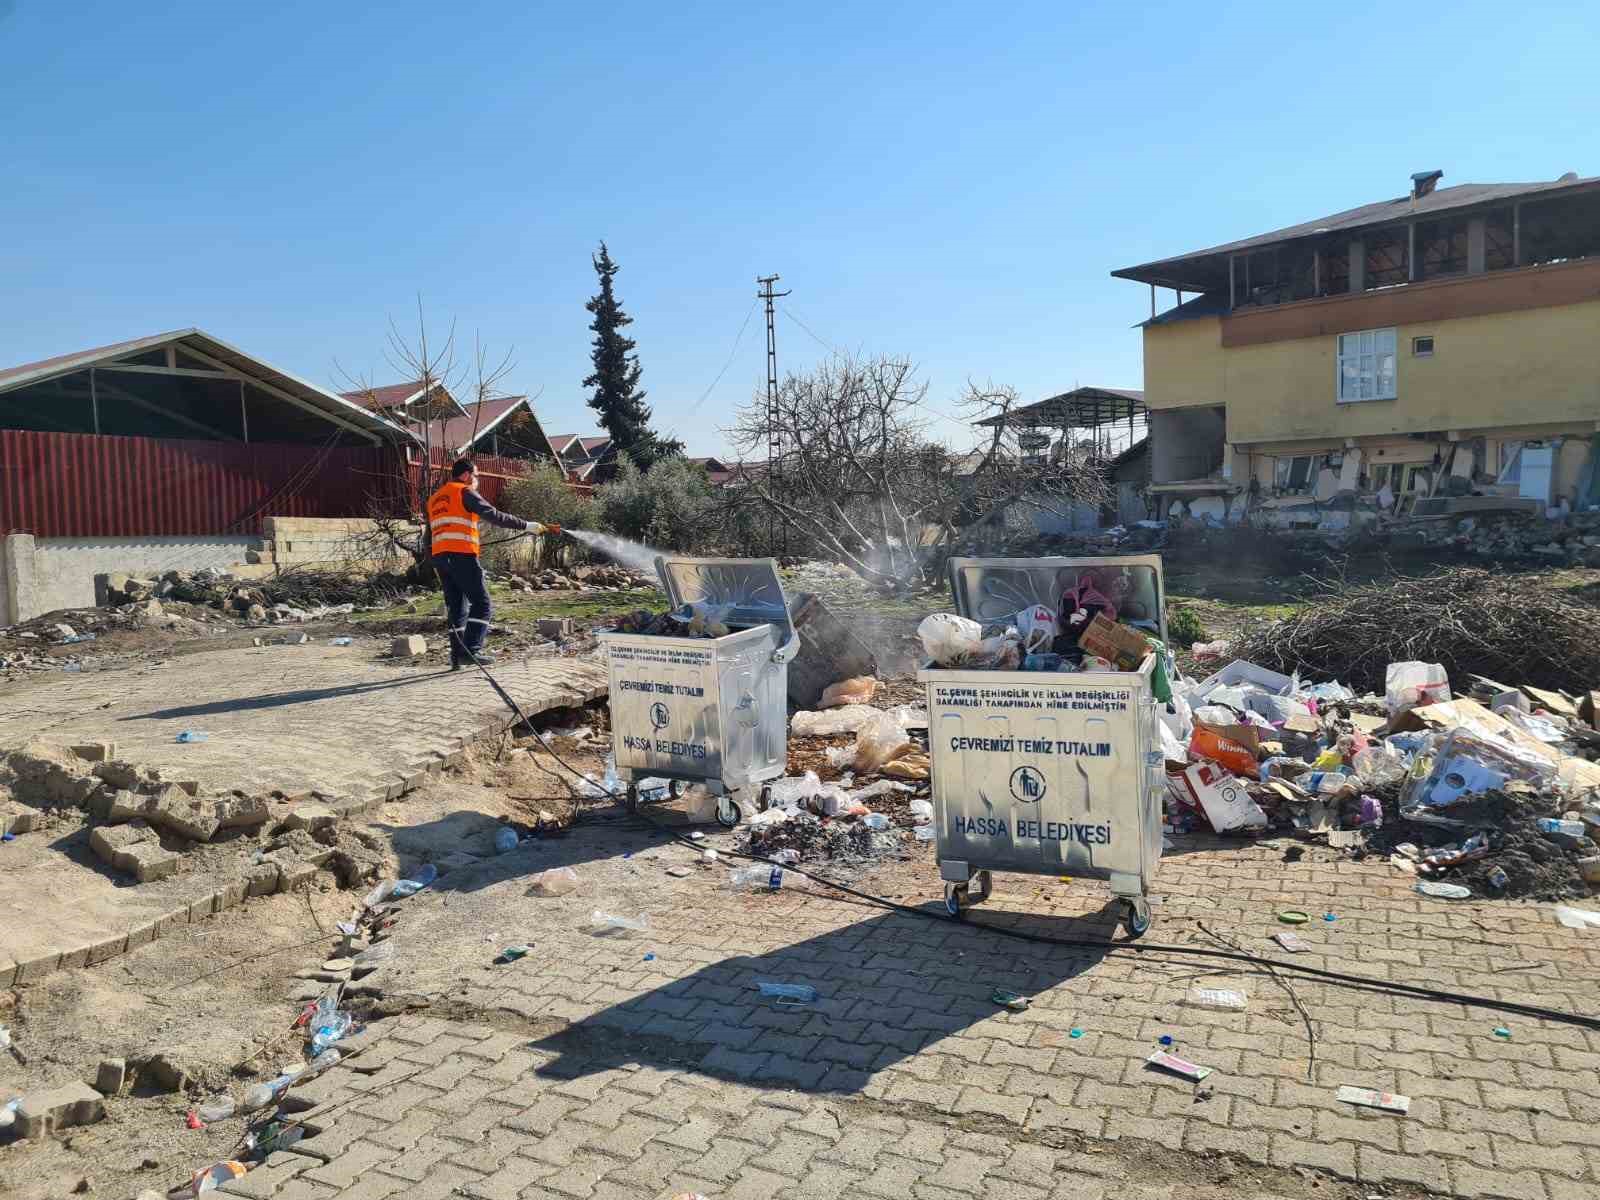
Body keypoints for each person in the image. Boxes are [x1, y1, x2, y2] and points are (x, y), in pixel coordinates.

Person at [427, 458, 560, 669]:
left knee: (457, 609)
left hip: (441, 559)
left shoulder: (434, 498)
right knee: (482, 604)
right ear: (465, 475)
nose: (477, 480)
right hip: (462, 555)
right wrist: (527, 526)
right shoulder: (464, 491)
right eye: (476, 475)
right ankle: (472, 650)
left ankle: (456, 657)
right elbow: (493, 515)